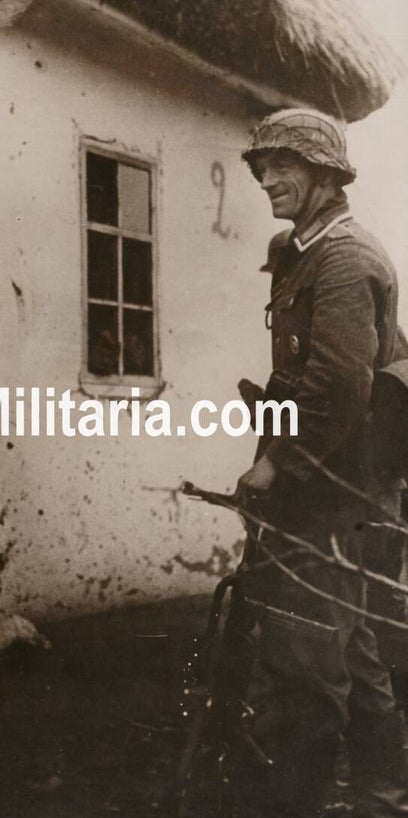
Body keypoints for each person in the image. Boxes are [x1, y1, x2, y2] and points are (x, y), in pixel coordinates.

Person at [232, 108, 408, 817]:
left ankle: (299, 803)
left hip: (336, 486)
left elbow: (338, 386)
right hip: (338, 483)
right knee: (355, 644)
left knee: (306, 656)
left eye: (285, 167)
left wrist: (277, 466)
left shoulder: (344, 258)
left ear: (326, 175)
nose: (268, 179)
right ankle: (384, 791)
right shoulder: (303, 250)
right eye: (261, 167)